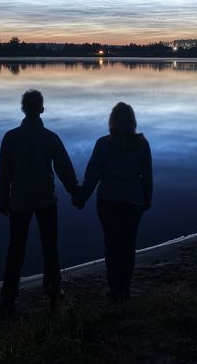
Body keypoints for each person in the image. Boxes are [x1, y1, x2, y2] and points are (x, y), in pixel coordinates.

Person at [0, 89, 79, 312]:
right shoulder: (50, 137)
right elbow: (65, 170)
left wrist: (3, 201)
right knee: (50, 247)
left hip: (19, 202)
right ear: (41, 109)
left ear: (23, 109)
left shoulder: (10, 137)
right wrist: (75, 192)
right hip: (45, 200)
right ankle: (53, 290)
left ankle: (8, 295)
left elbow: (4, 174)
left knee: (16, 249)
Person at [74, 102, 153, 301]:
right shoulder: (142, 145)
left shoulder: (103, 144)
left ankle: (113, 289)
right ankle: (124, 289)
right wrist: (147, 200)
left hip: (107, 202)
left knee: (111, 246)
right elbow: (148, 176)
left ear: (112, 121)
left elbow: (92, 176)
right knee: (128, 246)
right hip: (133, 203)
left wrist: (81, 197)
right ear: (132, 121)